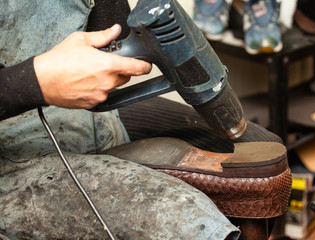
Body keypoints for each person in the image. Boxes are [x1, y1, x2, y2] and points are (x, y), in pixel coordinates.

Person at [0, 0, 241, 239]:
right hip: (13, 154)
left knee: (257, 150)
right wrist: (38, 81)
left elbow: (115, 27)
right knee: (186, 220)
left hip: (91, 119)